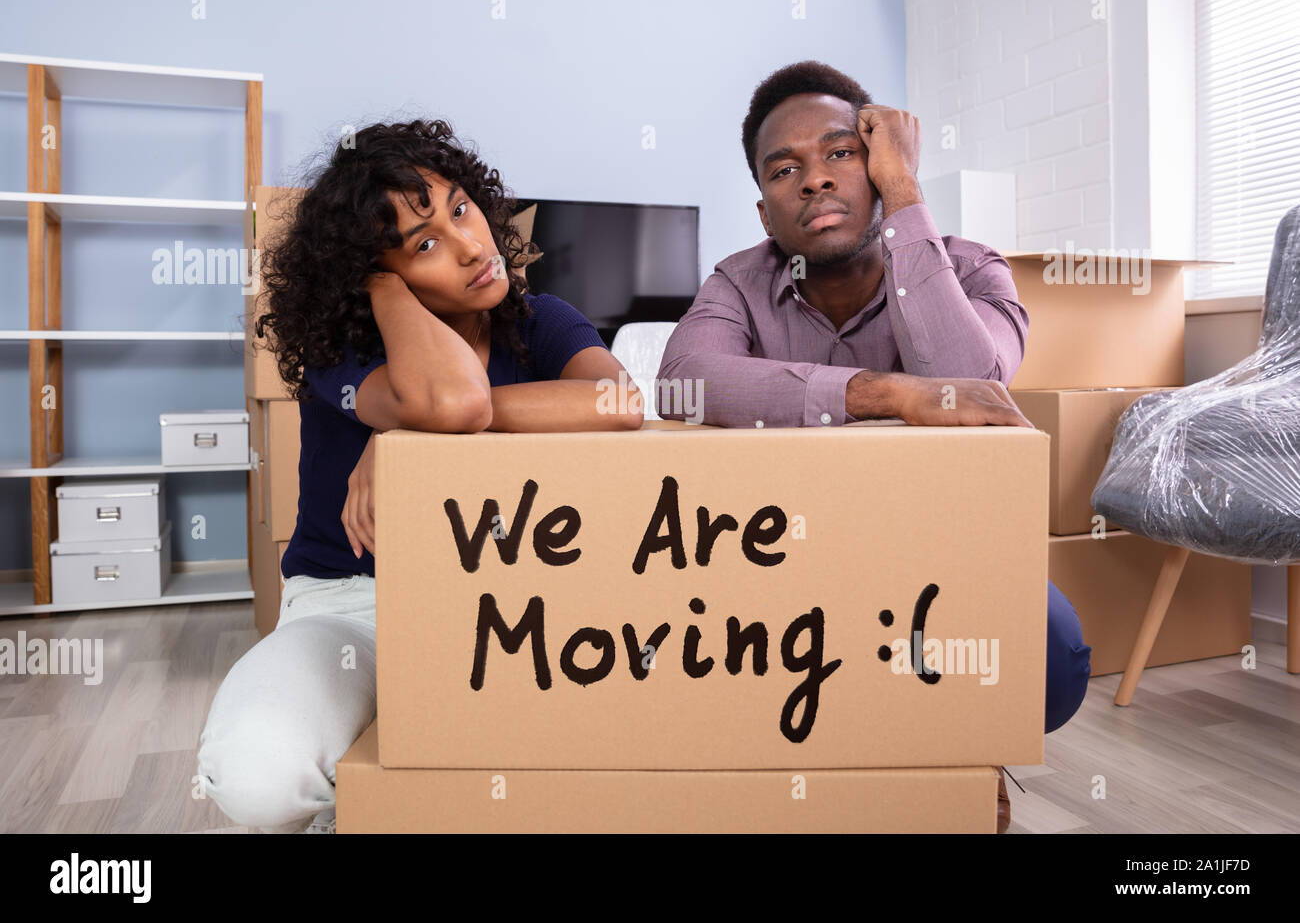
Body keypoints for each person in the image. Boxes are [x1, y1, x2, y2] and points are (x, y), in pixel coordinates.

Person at [656, 61, 1092, 832]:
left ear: (881, 164)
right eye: (785, 170)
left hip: (935, 562)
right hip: (778, 564)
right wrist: (885, 393)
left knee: (1050, 655)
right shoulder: (738, 282)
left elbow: (967, 381)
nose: (814, 181)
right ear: (765, 213)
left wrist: (906, 197)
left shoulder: (968, 267)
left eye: (840, 154)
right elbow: (684, 379)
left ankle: (962, 742)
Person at [197, 119, 643, 833]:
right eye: (423, 245)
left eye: (461, 209)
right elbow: (451, 400)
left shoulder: (540, 320)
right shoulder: (342, 349)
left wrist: (406, 436)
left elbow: (620, 403)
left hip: (512, 601)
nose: (470, 247)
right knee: (259, 776)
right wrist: (384, 300)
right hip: (353, 606)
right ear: (377, 276)